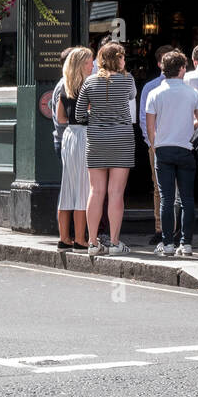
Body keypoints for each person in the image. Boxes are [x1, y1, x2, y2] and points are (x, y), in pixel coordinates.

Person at [76, 42, 137, 256]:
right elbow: (130, 96)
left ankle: (92, 243)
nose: (124, 61)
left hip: (97, 140)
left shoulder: (89, 82)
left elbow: (79, 114)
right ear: (117, 59)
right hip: (122, 138)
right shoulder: (128, 80)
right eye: (122, 57)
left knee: (96, 191)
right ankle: (114, 243)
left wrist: (95, 116)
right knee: (116, 193)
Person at [146, 50, 198, 257]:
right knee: (187, 198)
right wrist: (188, 125)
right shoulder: (192, 93)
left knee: (166, 198)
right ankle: (186, 243)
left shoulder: (155, 93)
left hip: (163, 149)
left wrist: (155, 145)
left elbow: (150, 127)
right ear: (182, 69)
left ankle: (168, 243)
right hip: (186, 148)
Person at [55, 48, 93, 251]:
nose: (92, 65)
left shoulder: (66, 86)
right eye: (89, 63)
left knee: (67, 187)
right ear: (80, 65)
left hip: (69, 135)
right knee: (82, 188)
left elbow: (60, 118)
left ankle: (64, 237)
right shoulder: (87, 86)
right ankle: (79, 238)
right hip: (83, 135)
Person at [139, 44, 177, 243]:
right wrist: (151, 143)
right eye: (164, 59)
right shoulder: (150, 87)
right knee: (159, 188)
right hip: (157, 144)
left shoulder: (185, 86)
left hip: (179, 143)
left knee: (178, 188)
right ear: (159, 63)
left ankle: (177, 229)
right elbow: (144, 119)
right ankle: (160, 228)